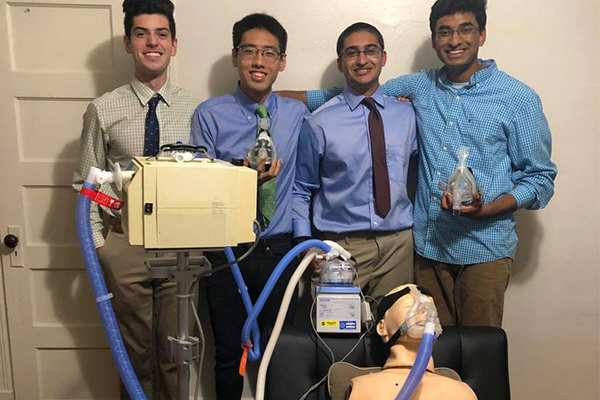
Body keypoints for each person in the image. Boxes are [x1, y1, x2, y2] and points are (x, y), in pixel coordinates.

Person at [283, 0, 557, 328]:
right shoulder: (418, 87)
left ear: (482, 35)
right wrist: (268, 97)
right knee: (420, 350)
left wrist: (490, 208)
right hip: (427, 250)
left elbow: (540, 178)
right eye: (445, 32)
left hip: (483, 249)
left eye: (465, 29)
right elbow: (354, 93)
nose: (455, 40)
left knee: (477, 351)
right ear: (433, 40)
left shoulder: (518, 98)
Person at [72, 0, 199, 398]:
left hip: (181, 245)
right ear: (128, 43)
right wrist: (101, 246)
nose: (152, 42)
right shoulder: (103, 108)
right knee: (134, 353)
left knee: (178, 351)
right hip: (125, 243)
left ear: (174, 44)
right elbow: (86, 183)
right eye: (141, 33)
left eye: (161, 34)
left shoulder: (198, 110)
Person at [189, 13, 309, 400]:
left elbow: (307, 180)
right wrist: (240, 177)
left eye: (269, 53)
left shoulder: (297, 115)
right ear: (235, 56)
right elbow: (200, 186)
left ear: (282, 62)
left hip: (281, 248)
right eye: (250, 51)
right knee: (228, 352)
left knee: (281, 350)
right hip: (228, 251)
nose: (259, 62)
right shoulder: (209, 114)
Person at [293, 23, 417, 305]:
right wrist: (304, 243)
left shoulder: (407, 114)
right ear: (340, 62)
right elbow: (301, 188)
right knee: (334, 342)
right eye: (352, 53)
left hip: (398, 246)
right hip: (340, 249)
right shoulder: (319, 122)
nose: (362, 60)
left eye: (370, 51)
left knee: (394, 338)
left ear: (383, 58)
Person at [347, 284, 476, 400]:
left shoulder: (462, 392)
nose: (424, 312)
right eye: (408, 306)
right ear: (382, 327)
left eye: (430, 308)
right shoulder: (363, 388)